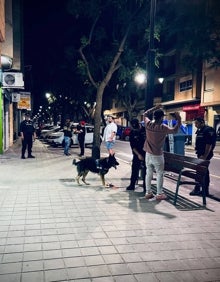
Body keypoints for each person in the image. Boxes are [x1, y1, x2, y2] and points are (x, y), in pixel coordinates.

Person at [143, 104, 182, 200]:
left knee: (149, 173)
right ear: (161, 118)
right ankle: (159, 194)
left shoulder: (148, 124)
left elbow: (145, 114)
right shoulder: (163, 128)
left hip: (148, 154)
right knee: (160, 173)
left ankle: (148, 192)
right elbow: (175, 131)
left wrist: (155, 107)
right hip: (158, 155)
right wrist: (179, 120)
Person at [189, 117, 216, 196]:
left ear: (202, 122)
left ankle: (200, 189)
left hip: (205, 155)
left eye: (197, 123)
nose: (195, 125)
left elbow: (209, 144)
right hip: (200, 154)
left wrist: (205, 156)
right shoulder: (200, 130)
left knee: (202, 171)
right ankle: (202, 190)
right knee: (202, 171)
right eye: (195, 123)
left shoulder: (208, 130)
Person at [126, 118, 146, 192]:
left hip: (146, 152)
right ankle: (132, 185)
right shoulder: (132, 133)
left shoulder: (145, 130)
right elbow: (132, 146)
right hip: (137, 153)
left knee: (146, 170)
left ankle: (145, 186)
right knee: (134, 169)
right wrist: (138, 155)